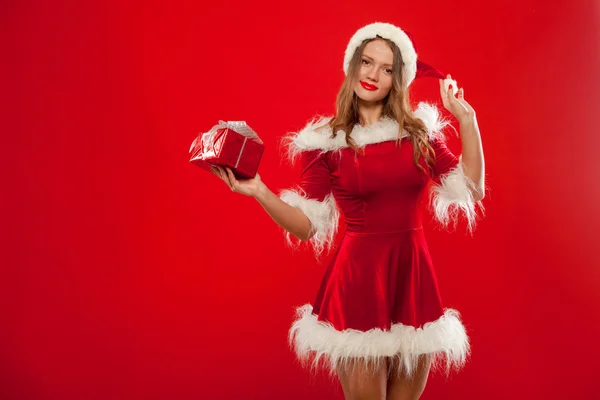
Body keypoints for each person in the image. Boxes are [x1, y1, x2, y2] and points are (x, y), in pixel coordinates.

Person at [211, 22, 486, 400]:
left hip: (413, 276)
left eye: (387, 69)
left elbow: (472, 187)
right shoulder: (325, 142)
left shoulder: (420, 132)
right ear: (352, 65)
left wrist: (466, 119)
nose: (373, 75)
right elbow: (308, 227)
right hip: (358, 283)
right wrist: (259, 190)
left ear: (398, 78)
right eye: (367, 62)